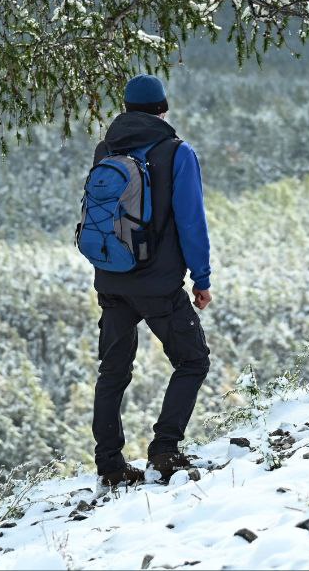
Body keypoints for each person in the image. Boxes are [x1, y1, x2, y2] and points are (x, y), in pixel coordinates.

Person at [90, 73, 212, 488]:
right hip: (158, 284)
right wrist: (202, 277)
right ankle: (164, 449)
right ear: (163, 108)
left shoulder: (105, 149)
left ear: (125, 108)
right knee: (193, 360)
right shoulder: (176, 152)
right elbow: (191, 221)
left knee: (113, 372)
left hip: (111, 278)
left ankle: (110, 465)